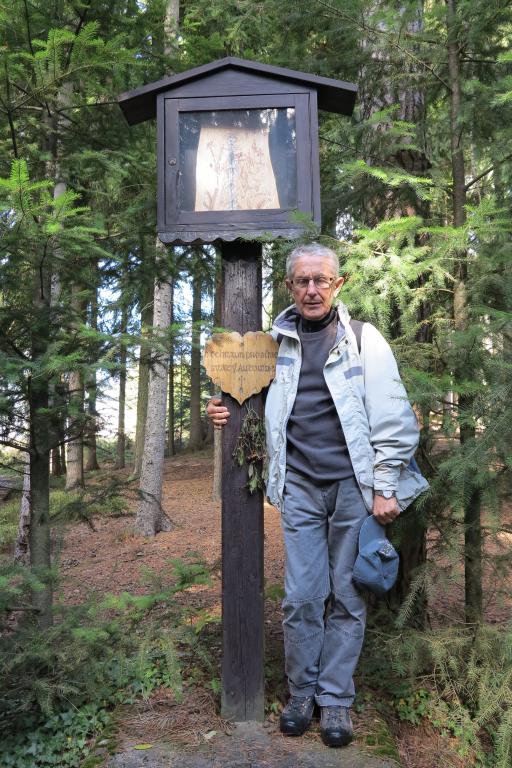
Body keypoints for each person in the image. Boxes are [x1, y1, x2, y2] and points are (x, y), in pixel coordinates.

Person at [206, 242, 428, 747]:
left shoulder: (363, 340)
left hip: (354, 489)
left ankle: (336, 701)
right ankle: (301, 694)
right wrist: (220, 409)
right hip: (300, 489)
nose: (312, 290)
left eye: (321, 280)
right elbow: (243, 396)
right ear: (289, 286)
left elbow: (393, 417)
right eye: (302, 281)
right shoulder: (272, 346)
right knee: (302, 597)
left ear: (337, 284)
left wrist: (385, 486)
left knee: (347, 597)